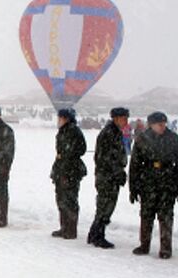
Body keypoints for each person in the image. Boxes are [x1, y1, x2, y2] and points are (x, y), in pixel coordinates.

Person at [129, 111, 178, 259]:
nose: (162, 126)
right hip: (148, 181)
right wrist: (133, 187)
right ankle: (144, 245)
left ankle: (166, 248)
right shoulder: (142, 139)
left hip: (167, 181)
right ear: (151, 125)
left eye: (164, 123)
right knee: (146, 215)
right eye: (159, 124)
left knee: (166, 217)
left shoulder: (173, 139)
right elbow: (135, 165)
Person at [87, 107, 129, 249]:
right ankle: (98, 236)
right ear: (116, 118)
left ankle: (94, 234)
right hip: (107, 177)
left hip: (109, 176)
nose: (126, 121)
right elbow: (105, 159)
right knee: (105, 206)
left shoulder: (115, 132)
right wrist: (117, 172)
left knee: (105, 206)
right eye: (124, 118)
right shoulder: (109, 133)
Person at [50, 109, 87, 240]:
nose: (59, 120)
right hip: (61, 169)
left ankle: (71, 230)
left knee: (70, 200)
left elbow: (81, 149)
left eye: (61, 118)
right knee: (61, 199)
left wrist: (67, 158)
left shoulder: (73, 131)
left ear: (67, 118)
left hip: (71, 170)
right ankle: (64, 227)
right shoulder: (63, 131)